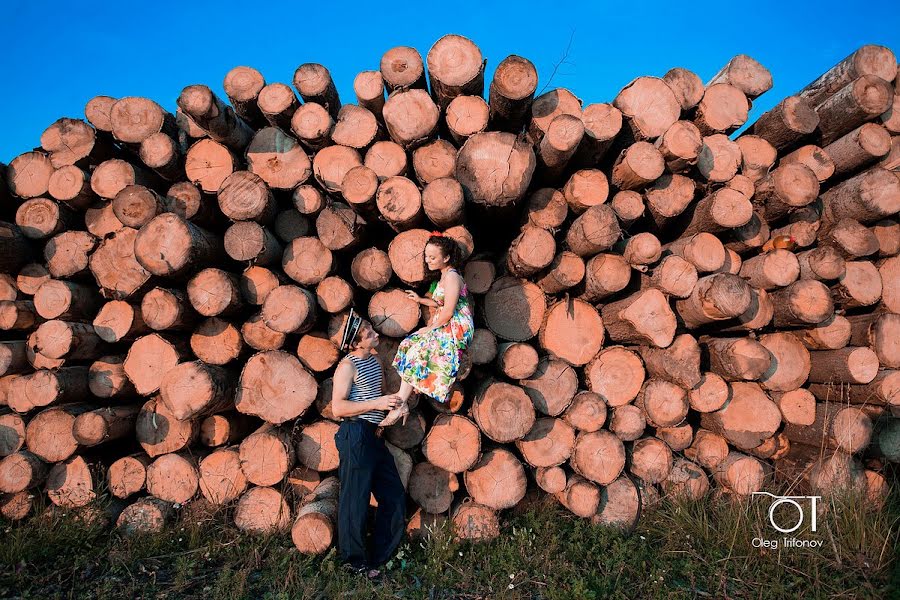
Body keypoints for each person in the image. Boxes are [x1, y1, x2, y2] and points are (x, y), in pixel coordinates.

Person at [331, 308, 406, 580]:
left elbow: (381, 394)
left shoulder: (374, 361)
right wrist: (376, 404)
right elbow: (338, 407)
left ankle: (377, 556)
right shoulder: (346, 366)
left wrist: (397, 404)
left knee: (394, 494)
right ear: (355, 342)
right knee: (355, 499)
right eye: (368, 333)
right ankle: (354, 562)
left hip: (373, 435)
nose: (375, 333)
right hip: (354, 434)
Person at [382, 232, 475, 426]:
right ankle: (402, 401)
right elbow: (439, 302)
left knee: (417, 343)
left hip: (457, 325)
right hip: (447, 321)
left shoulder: (452, 277)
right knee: (411, 345)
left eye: (432, 257)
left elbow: (448, 310)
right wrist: (420, 300)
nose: (427, 260)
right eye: (426, 256)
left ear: (446, 258)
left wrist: (430, 328)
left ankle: (401, 401)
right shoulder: (444, 277)